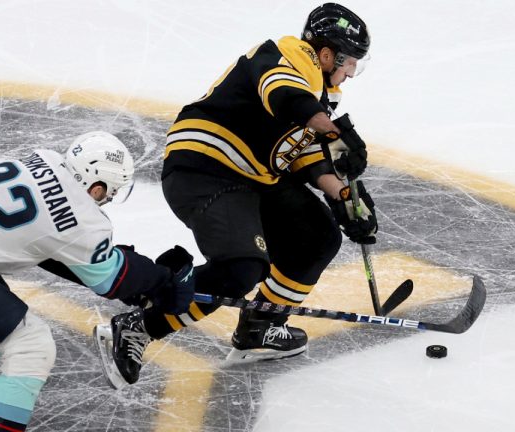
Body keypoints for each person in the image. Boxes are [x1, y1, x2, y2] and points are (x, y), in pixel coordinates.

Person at [95, 3, 378, 389]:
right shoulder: (285, 55)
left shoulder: (321, 95)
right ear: (328, 53)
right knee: (241, 267)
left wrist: (344, 196)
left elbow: (303, 155)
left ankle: (260, 326)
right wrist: (334, 135)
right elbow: (283, 95)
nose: (350, 73)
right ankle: (141, 325)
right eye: (350, 63)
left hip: (254, 177)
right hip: (204, 169)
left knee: (317, 237)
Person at [0, 131, 195, 431]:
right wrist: (163, 283)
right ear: (96, 186)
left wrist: (133, 272)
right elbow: (110, 279)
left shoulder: (42, 159)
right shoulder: (83, 219)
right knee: (32, 343)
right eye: (110, 191)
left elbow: (48, 244)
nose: (107, 199)